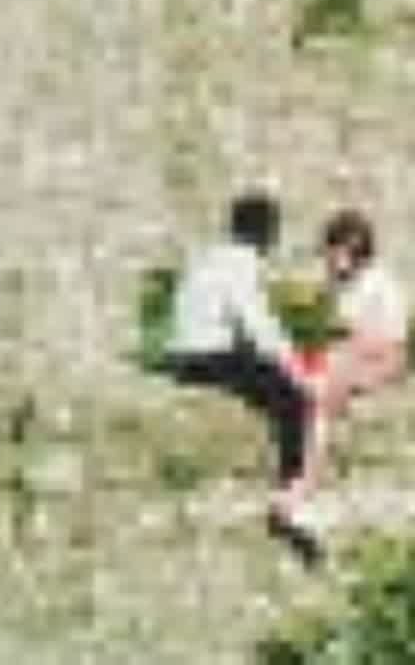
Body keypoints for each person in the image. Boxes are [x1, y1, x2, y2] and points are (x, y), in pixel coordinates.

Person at [162, 190, 324, 558]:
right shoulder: (242, 264)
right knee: (295, 403)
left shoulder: (208, 257)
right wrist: (299, 371)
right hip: (210, 356)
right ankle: (291, 502)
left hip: (183, 356)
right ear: (267, 233)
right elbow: (260, 327)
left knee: (268, 378)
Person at [294, 208, 411, 510]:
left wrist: (344, 343)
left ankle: (309, 478)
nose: (329, 262)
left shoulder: (380, 284)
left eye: (334, 254)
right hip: (345, 354)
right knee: (297, 374)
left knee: (326, 387)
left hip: (381, 358)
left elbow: (390, 341)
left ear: (351, 250)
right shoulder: (339, 285)